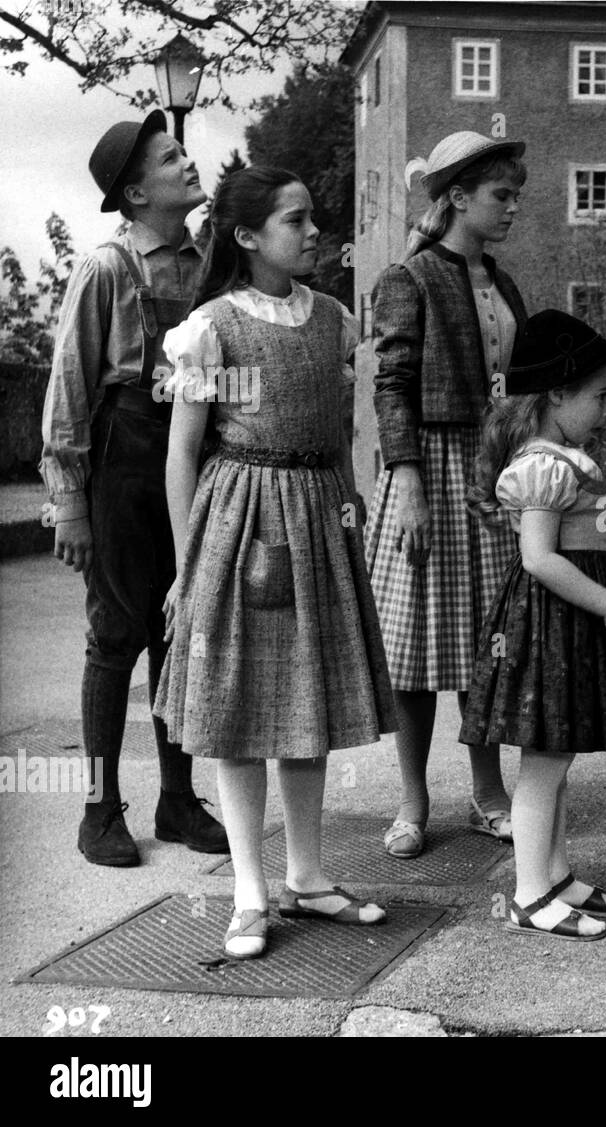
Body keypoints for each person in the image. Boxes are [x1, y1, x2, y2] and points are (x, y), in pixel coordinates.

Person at [154, 166, 398, 959]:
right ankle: (249, 893)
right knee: (237, 709)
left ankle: (309, 875)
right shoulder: (211, 328)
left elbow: (340, 434)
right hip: (241, 516)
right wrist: (191, 566)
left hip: (318, 512)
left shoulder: (334, 318)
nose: (315, 231)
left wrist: (352, 505)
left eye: (314, 218)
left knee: (305, 705)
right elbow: (182, 454)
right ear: (249, 236)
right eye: (297, 220)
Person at [40, 111, 228, 867]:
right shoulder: (108, 268)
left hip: (193, 459)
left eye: (182, 149)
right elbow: (66, 391)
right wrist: (71, 500)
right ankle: (98, 808)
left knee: (179, 631)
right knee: (115, 637)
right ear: (134, 191)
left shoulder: (208, 260)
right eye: (168, 156)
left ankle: (178, 800)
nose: (186, 161)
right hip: (122, 461)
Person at [460, 310, 606, 940]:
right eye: (600, 396)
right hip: (554, 619)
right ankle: (530, 893)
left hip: (571, 620)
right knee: (545, 758)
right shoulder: (542, 464)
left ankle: (556, 875)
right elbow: (538, 557)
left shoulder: (570, 457)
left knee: (559, 750)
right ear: (557, 394)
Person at [365, 132, 528, 858]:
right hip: (428, 465)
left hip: (492, 468)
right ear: (458, 197)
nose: (514, 207)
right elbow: (391, 383)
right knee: (415, 649)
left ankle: (489, 794)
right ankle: (411, 800)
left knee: (487, 641)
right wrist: (408, 483)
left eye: (516, 195)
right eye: (502, 196)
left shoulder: (503, 280)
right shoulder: (412, 275)